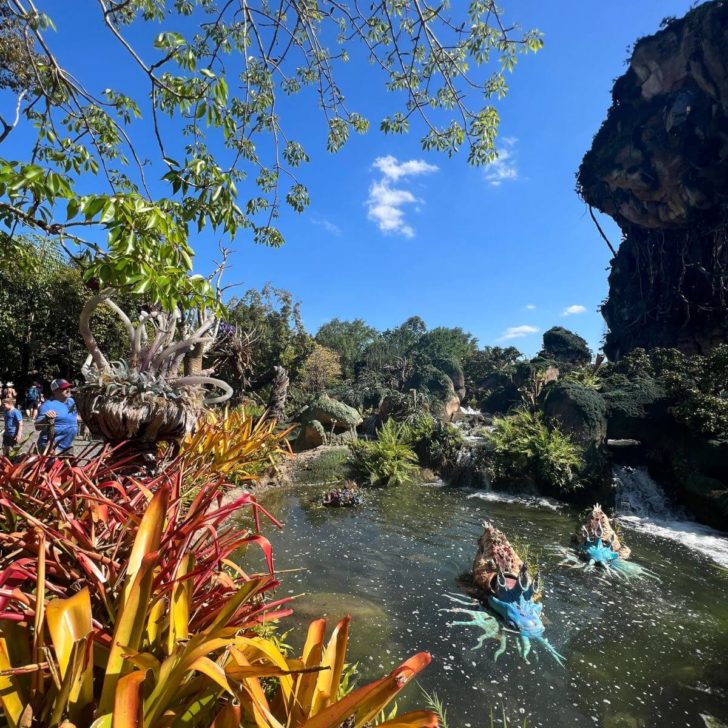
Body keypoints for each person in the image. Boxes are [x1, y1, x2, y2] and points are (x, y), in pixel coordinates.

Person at [35, 379, 78, 455]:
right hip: (50, 447)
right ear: (55, 391)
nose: (68, 390)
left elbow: (72, 418)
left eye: (68, 387)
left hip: (67, 446)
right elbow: (37, 426)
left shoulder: (71, 402)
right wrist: (46, 418)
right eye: (64, 388)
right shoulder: (47, 405)